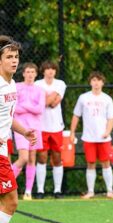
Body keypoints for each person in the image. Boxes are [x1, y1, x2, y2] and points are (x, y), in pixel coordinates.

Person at [0, 35, 37, 223]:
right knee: (11, 201)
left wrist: (23, 131)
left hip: (4, 148)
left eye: (16, 56)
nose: (14, 61)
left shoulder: (12, 84)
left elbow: (7, 117)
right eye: (9, 57)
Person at [70, 71, 113, 199]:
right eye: (94, 80)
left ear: (103, 83)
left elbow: (111, 118)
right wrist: (72, 132)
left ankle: (109, 191)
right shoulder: (83, 98)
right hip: (89, 137)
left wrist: (107, 132)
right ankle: (90, 191)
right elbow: (76, 115)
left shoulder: (107, 99)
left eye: (99, 80)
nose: (96, 83)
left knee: (106, 162)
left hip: (104, 138)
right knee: (90, 163)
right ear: (90, 82)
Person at [11, 63, 45, 200]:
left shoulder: (40, 90)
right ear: (23, 73)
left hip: (35, 127)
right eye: (28, 72)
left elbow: (40, 109)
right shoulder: (16, 87)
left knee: (32, 159)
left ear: (36, 74)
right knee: (23, 158)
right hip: (21, 128)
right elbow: (14, 108)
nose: (30, 74)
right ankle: (5, 185)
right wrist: (30, 107)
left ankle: (28, 192)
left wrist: (24, 105)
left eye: (33, 72)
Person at [34, 61, 67, 199]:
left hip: (56, 127)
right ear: (43, 71)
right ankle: (40, 191)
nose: (50, 71)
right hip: (41, 127)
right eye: (47, 69)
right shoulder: (37, 85)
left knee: (57, 158)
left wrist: (45, 100)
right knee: (41, 158)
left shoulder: (61, 84)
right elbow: (42, 104)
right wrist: (48, 99)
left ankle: (57, 190)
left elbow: (53, 103)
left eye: (52, 69)